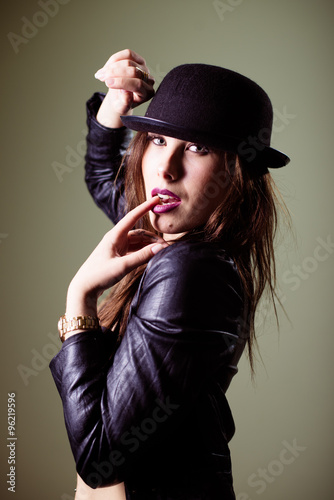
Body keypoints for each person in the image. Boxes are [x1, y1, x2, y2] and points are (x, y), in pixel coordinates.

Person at [50, 49, 290, 500]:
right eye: (158, 140)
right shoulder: (175, 239)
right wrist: (114, 106)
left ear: (237, 175)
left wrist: (79, 298)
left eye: (198, 148)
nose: (166, 168)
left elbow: (100, 458)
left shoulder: (191, 272)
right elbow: (106, 177)